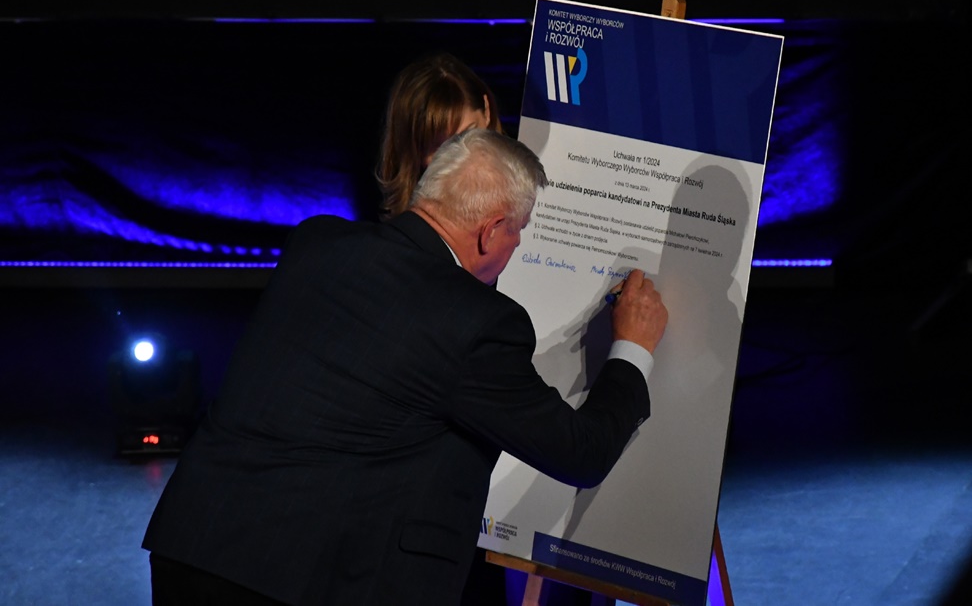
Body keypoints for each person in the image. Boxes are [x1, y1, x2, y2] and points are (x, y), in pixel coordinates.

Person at [142, 128, 669, 606]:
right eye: (519, 231)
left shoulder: (316, 243)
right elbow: (581, 452)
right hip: (298, 580)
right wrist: (633, 346)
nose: (517, 245)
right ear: (490, 232)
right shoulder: (476, 320)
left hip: (193, 544)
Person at [376, 52, 502, 221]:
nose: (461, 159)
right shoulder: (407, 229)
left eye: (468, 135)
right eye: (441, 149)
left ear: (486, 111)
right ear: (415, 155)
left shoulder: (528, 186)